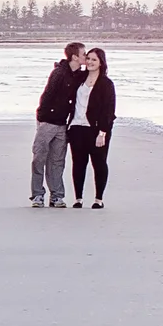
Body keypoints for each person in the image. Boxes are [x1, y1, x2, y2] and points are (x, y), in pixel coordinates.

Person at [30, 42, 86, 207]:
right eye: (83, 54)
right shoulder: (59, 73)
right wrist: (42, 119)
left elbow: (95, 76)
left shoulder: (79, 75)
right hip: (47, 122)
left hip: (63, 124)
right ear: (75, 56)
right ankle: (37, 195)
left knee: (57, 161)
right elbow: (46, 96)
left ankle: (57, 196)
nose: (85, 57)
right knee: (39, 158)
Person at [65, 46, 115, 209]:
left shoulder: (106, 83)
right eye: (88, 59)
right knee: (78, 163)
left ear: (101, 62)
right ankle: (78, 198)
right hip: (76, 127)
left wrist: (102, 133)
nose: (90, 62)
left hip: (96, 130)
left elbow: (109, 110)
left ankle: (98, 199)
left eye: (94, 59)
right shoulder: (79, 78)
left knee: (99, 163)